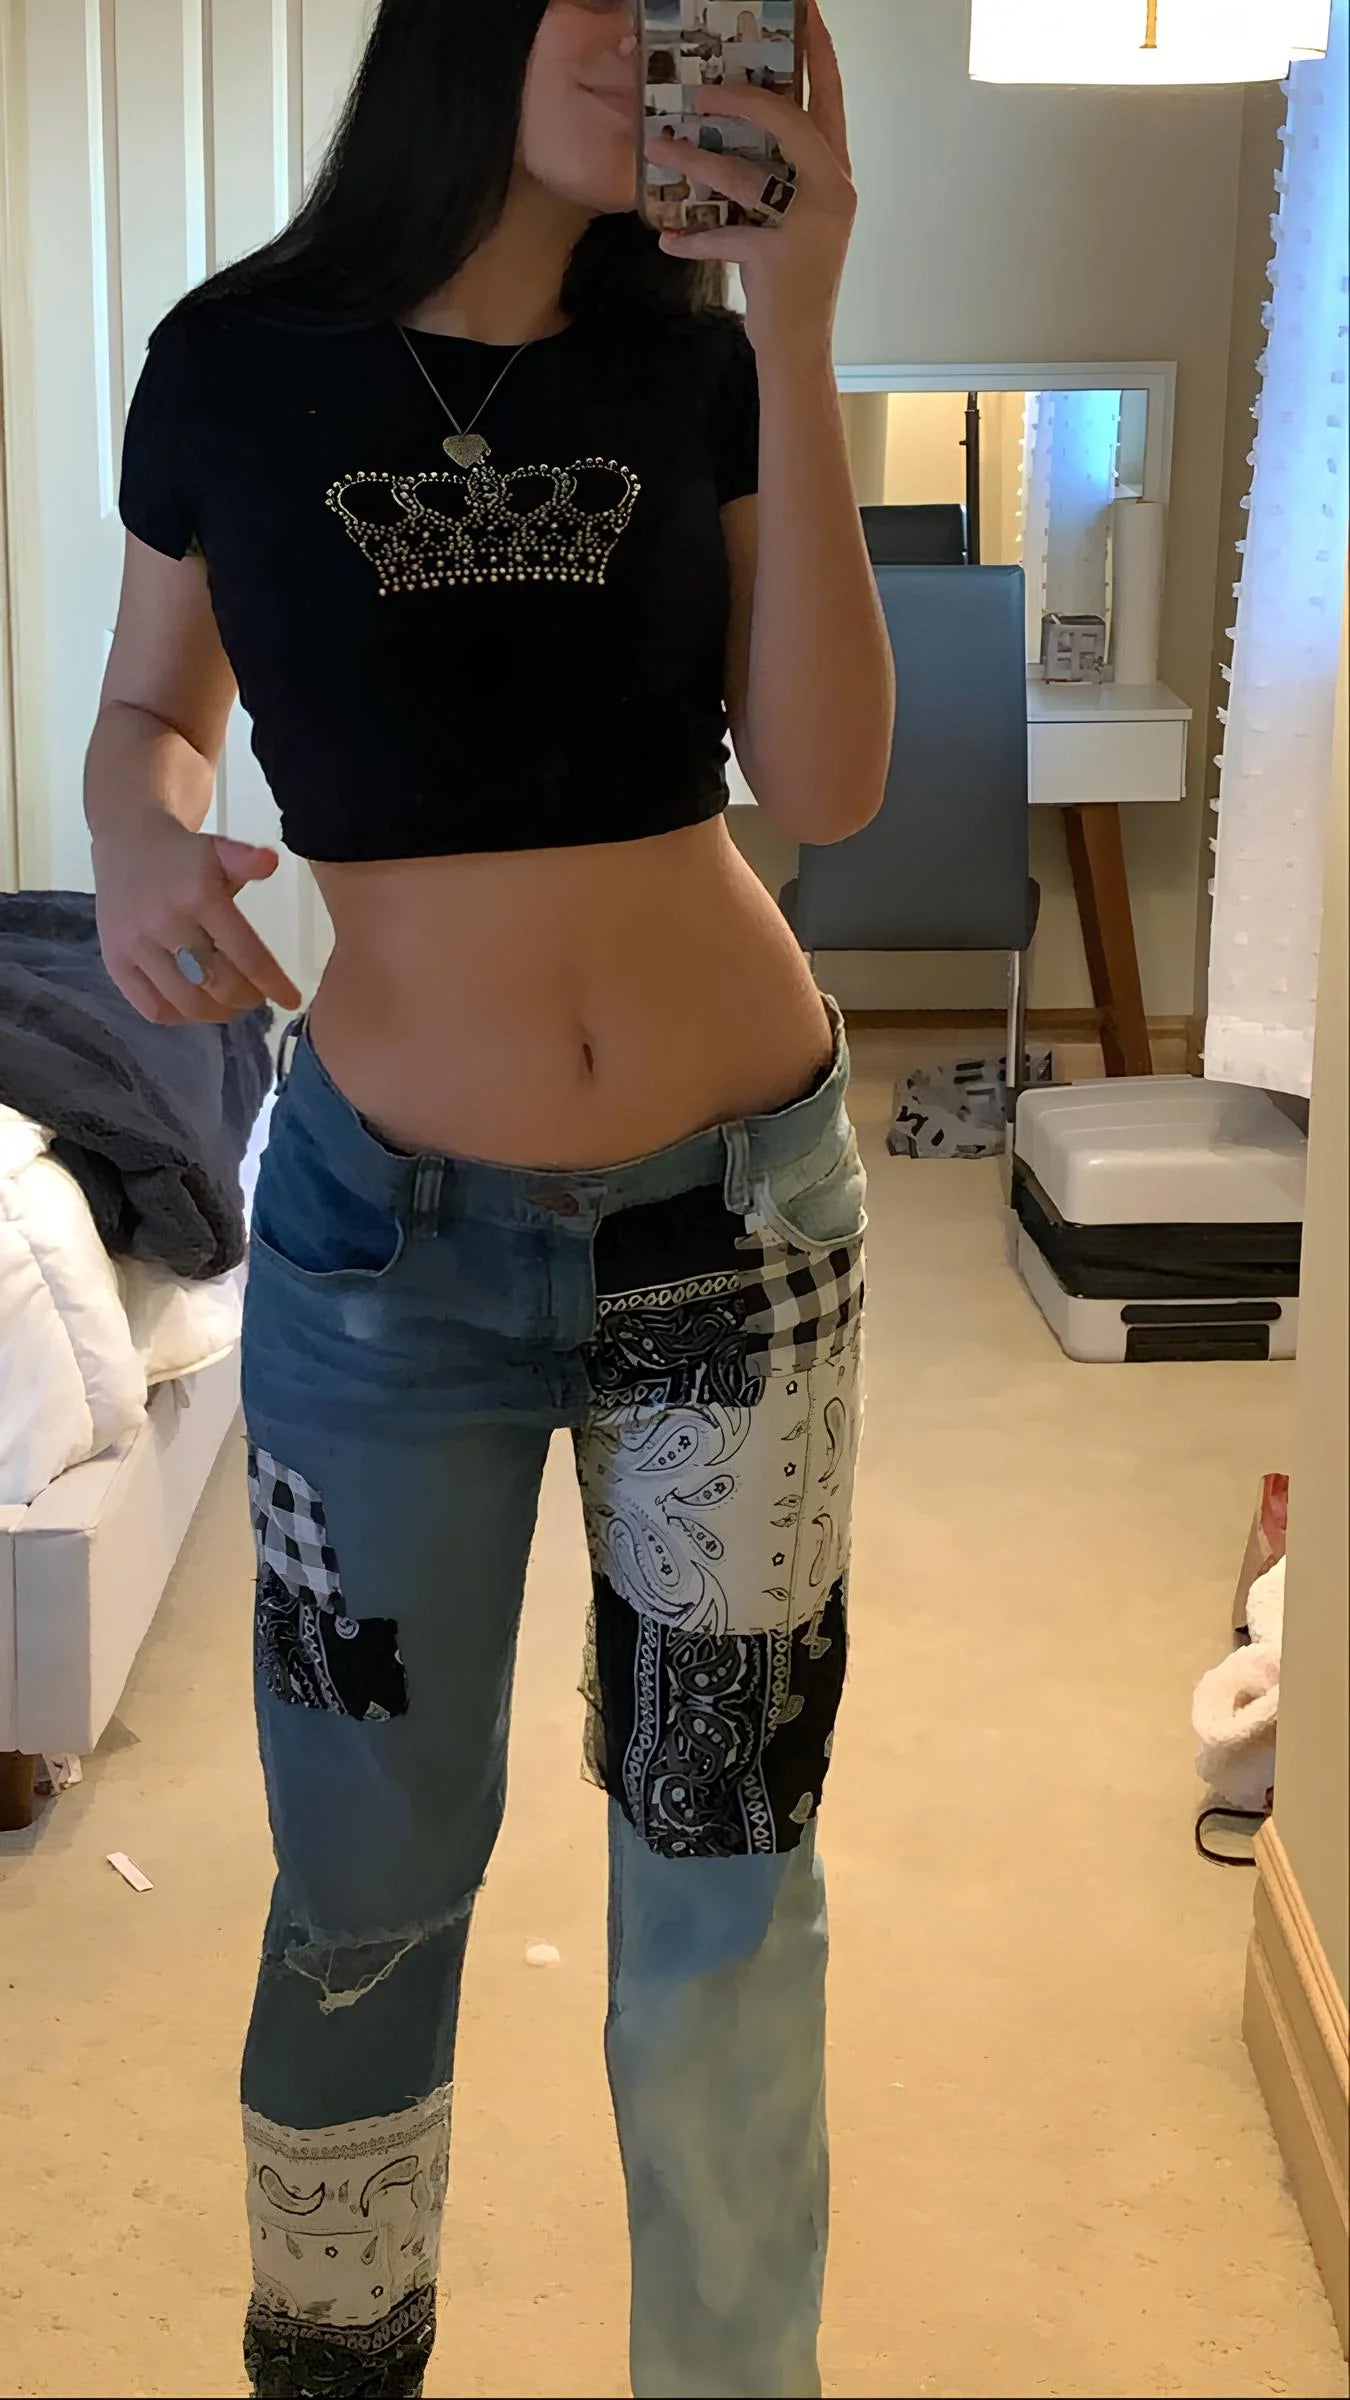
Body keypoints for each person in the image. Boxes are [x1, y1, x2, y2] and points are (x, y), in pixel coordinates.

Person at [86, 2, 893, 2393]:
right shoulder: (230, 366)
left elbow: (827, 786)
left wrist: (803, 316)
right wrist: (133, 839)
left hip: (739, 1236)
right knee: (360, 1886)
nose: (649, 35)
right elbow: (151, 713)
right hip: (380, 1262)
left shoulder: (703, 363)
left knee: (726, 1881)